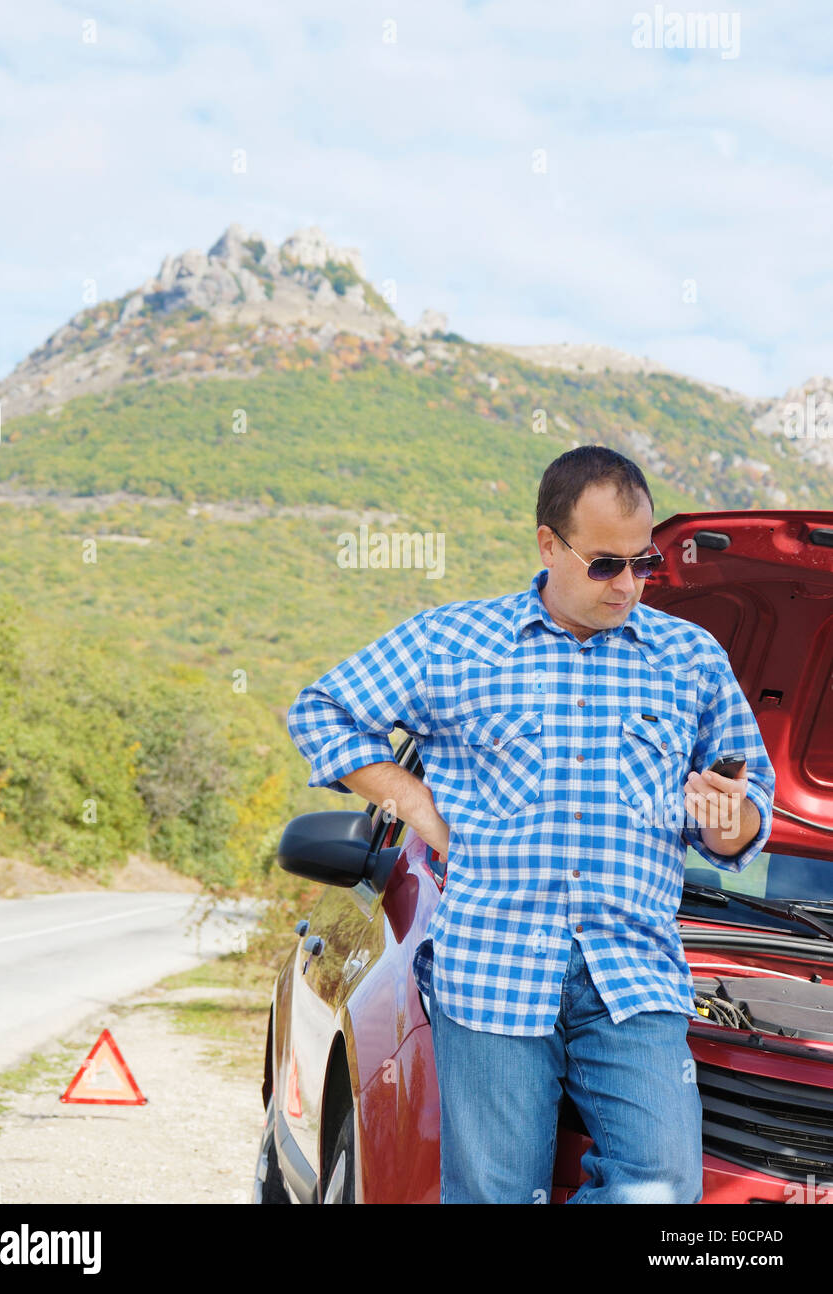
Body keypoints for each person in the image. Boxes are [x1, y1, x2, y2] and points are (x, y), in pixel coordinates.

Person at [286, 445, 776, 1204]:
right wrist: (411, 801)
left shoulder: (691, 659)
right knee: (491, 1195)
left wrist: (727, 819)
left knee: (659, 1188)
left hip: (634, 972)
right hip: (492, 965)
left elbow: (745, 815)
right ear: (548, 545)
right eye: (605, 564)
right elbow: (321, 710)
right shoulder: (451, 644)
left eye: (644, 563)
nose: (629, 585)